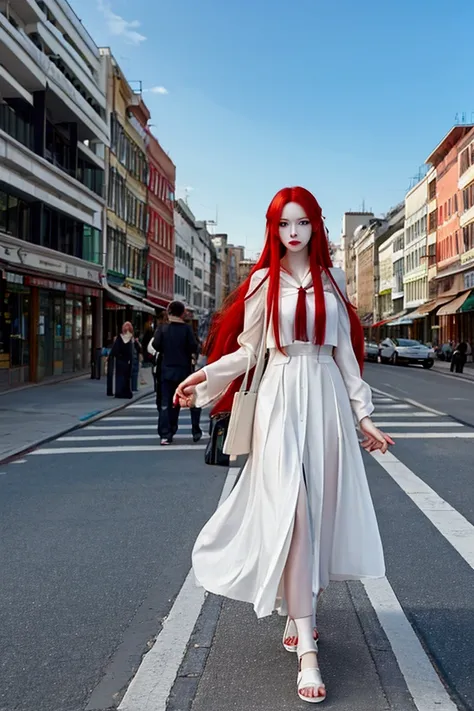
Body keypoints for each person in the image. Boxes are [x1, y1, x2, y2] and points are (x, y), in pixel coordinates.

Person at [174, 187, 394, 704]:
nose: (292, 232)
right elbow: (248, 352)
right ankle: (308, 653)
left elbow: (344, 358)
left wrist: (364, 417)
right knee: (293, 513)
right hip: (278, 403)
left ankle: (300, 611)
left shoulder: (333, 281)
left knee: (315, 514)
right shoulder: (261, 283)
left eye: (301, 223)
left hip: (325, 404)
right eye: (282, 224)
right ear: (274, 230)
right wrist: (204, 376)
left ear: (315, 227)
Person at [152, 301, 203, 446]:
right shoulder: (186, 329)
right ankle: (195, 431)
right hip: (184, 371)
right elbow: (193, 347)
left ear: (169, 312)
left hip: (166, 370)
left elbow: (156, 345)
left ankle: (166, 434)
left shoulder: (163, 329)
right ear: (181, 313)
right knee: (191, 401)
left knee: (166, 404)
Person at [108, 322, 134, 399]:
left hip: (120, 360)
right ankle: (126, 392)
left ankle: (119, 392)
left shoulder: (119, 338)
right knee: (127, 377)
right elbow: (131, 352)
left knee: (119, 377)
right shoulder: (131, 339)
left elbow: (115, 350)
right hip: (127, 361)